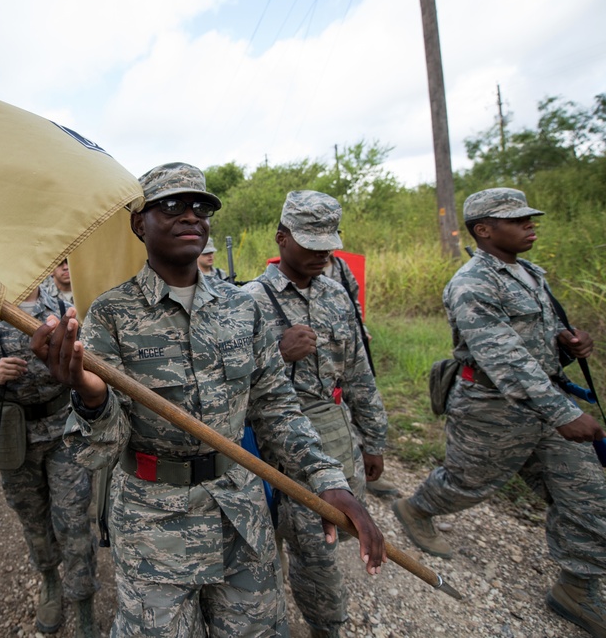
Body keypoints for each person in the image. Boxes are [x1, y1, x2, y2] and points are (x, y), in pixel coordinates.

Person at [31, 162, 385, 638]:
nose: (191, 216)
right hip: (153, 523)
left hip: (239, 513)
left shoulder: (244, 307)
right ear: (140, 223)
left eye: (201, 207)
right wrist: (92, 398)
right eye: (171, 205)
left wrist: (326, 479)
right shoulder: (111, 315)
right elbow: (100, 449)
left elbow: (276, 406)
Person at [392, 188, 606, 638]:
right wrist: (563, 411)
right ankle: (417, 508)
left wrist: (567, 341)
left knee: (587, 495)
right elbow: (503, 356)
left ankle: (577, 589)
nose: (530, 225)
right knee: (467, 483)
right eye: (517, 220)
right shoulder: (471, 283)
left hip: (548, 406)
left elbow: (532, 335)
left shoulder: (528, 273)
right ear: (484, 230)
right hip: (491, 409)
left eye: (529, 218)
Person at [244, 190, 389, 638]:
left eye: (328, 243)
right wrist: (276, 352)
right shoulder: (247, 301)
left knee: (333, 531)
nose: (322, 253)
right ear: (282, 238)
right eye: (310, 242)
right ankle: (328, 626)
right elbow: (225, 387)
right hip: (275, 441)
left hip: (335, 430)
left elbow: (359, 372)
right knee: (315, 549)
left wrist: (374, 437)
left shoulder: (336, 294)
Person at [0, 282, 98, 637]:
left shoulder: (65, 311)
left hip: (65, 434)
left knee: (73, 522)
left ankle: (84, 600)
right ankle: (50, 581)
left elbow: (94, 366)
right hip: (14, 440)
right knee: (33, 520)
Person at [322, 252, 398, 499]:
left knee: (352, 400)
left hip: (344, 350)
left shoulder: (341, 268)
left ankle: (360, 464)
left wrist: (360, 332)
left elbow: (354, 306)